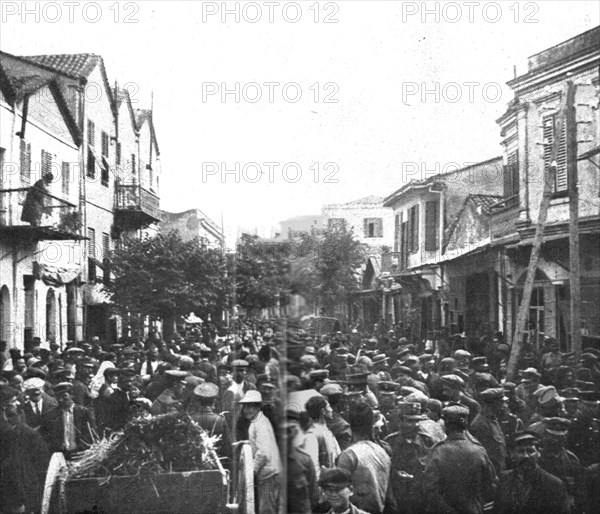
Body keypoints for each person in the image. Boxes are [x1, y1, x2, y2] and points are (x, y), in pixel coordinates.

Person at [422, 403, 497, 513]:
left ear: (445, 425)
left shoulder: (437, 451)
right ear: (465, 424)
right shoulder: (479, 450)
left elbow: (430, 491)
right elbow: (490, 485)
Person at [0, 385, 50, 514]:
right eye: (13, 401)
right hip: (14, 492)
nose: (17, 404)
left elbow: (42, 463)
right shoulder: (17, 433)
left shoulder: (27, 433)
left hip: (22, 491)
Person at [494, 431, 570, 514]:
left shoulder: (554, 485)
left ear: (539, 453)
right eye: (520, 451)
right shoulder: (504, 480)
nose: (526, 456)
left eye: (530, 451)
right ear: (512, 454)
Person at [336, 400, 391, 514]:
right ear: (371, 424)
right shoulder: (382, 451)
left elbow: (340, 494)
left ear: (350, 424)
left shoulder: (348, 455)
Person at [239, 390, 282, 514]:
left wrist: (251, 470)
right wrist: (244, 443)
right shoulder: (258, 421)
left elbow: (263, 452)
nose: (246, 410)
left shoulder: (260, 424)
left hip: (269, 473)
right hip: (269, 472)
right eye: (245, 406)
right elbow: (259, 443)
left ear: (258, 407)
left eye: (250, 406)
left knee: (266, 510)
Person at [39, 381, 96, 456]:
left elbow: (91, 434)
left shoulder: (83, 412)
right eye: (58, 397)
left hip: (81, 453)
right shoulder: (51, 415)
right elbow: (47, 436)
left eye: (64, 396)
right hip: (60, 455)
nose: (60, 400)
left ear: (71, 395)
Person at [189, 382, 232, 462]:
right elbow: (228, 446)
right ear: (214, 401)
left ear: (198, 400)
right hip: (217, 461)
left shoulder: (190, 418)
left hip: (194, 461)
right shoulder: (220, 420)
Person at [469, 387, 508, 475]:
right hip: (491, 473)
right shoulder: (480, 425)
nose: (504, 405)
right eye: (502, 403)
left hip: (499, 468)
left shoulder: (492, 419)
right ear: (493, 404)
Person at [304, 395, 341, 480]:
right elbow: (313, 466)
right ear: (323, 411)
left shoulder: (326, 430)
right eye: (329, 407)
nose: (331, 410)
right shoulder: (312, 434)